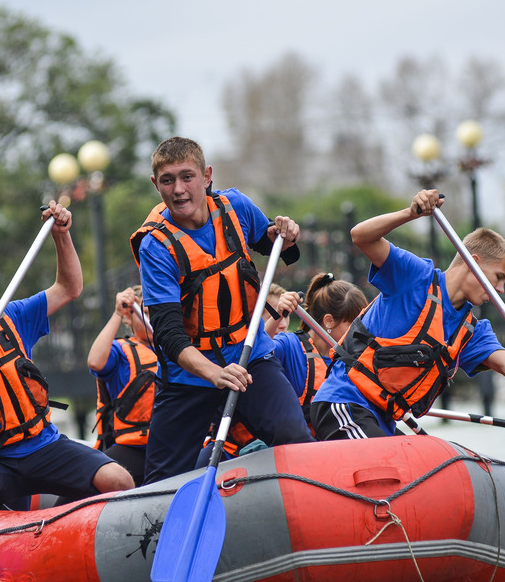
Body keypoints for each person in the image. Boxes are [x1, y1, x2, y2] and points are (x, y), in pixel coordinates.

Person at [0, 201, 134, 510]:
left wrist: (62, 235)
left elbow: (69, 288)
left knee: (118, 479)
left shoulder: (12, 316)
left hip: (43, 445)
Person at [309, 189, 505, 439]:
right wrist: (410, 214)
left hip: (382, 420)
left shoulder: (471, 331)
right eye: (498, 277)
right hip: (343, 403)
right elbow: (360, 236)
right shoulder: (415, 276)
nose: (500, 289)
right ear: (473, 262)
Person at [130, 136, 313, 483]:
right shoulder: (155, 245)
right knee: (160, 483)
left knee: (295, 438)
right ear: (156, 185)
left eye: (187, 177)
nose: (179, 189)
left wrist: (285, 234)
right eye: (167, 180)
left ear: (207, 175)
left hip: (249, 355)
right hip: (189, 375)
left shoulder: (236, 206)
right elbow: (168, 335)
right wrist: (213, 373)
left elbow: (275, 245)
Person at [271, 273, 367, 432]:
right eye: (353, 324)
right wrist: (278, 315)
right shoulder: (289, 345)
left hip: (334, 446)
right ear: (329, 321)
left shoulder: (354, 358)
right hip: (293, 446)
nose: (358, 332)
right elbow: (254, 355)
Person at [89, 285, 157, 486]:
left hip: (172, 447)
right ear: (129, 317)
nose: (151, 318)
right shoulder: (121, 352)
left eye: (155, 311)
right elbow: (95, 362)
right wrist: (118, 313)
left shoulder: (183, 352)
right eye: (144, 313)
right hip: (133, 448)